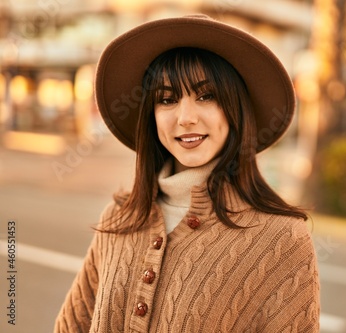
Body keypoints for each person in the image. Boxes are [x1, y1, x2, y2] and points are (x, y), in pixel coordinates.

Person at [54, 14, 320, 332]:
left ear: (236, 107)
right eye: (167, 99)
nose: (185, 117)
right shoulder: (120, 217)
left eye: (206, 96)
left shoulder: (282, 239)